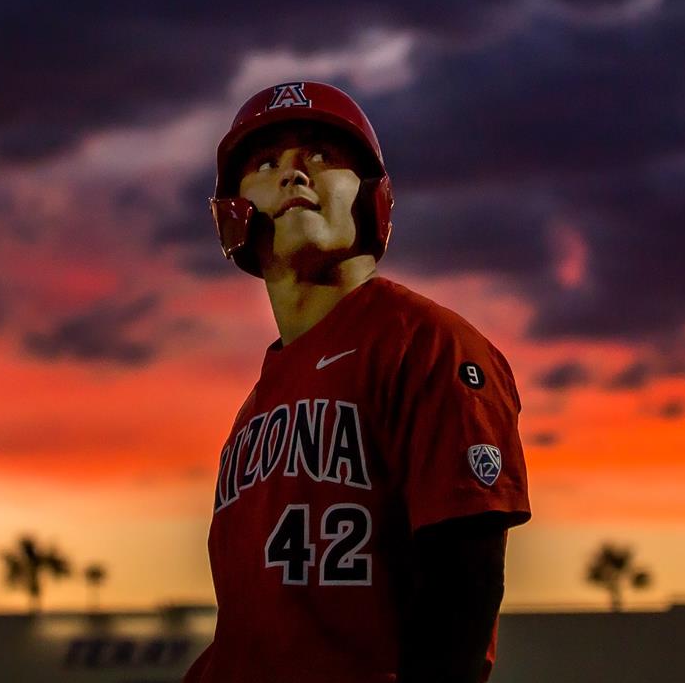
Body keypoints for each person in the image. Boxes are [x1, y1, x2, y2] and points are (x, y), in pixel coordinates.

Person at [182, 81, 531, 683]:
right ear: (232, 216)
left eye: (321, 156)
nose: (295, 176)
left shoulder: (426, 343)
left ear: (373, 199)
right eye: (267, 165)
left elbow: (463, 589)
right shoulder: (256, 409)